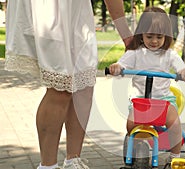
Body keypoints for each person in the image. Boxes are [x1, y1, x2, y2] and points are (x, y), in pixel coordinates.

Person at [5, 0, 132, 169]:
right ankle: (48, 166)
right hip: (50, 9)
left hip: (76, 11)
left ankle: (73, 161)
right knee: (61, 88)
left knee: (84, 86)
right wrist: (127, 36)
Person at [108, 6, 185, 166]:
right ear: (141, 34)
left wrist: (184, 72)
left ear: (166, 36)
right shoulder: (135, 53)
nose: (154, 41)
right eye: (149, 36)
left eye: (159, 37)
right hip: (140, 101)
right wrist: (116, 67)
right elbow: (121, 64)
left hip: (164, 100)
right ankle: (135, 148)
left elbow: (180, 67)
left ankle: (174, 156)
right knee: (130, 125)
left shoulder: (169, 55)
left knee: (174, 124)